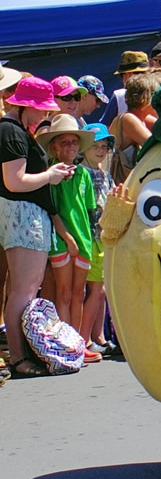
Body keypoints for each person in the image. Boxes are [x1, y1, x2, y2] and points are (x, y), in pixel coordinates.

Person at [0, 77, 76, 378]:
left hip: (24, 214)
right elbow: (15, 182)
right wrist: (51, 175)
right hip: (23, 215)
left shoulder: (14, 129)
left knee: (25, 290)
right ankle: (18, 357)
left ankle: (23, 353)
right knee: (23, 291)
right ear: (26, 106)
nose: (45, 116)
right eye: (42, 111)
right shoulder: (11, 131)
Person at [38, 114, 100, 361]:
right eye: (64, 142)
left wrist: (84, 240)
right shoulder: (51, 175)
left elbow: (88, 211)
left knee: (79, 294)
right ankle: (64, 344)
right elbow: (53, 211)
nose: (71, 147)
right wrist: (68, 237)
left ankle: (78, 343)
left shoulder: (84, 175)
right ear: (53, 146)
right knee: (63, 293)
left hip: (83, 241)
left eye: (74, 142)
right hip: (60, 241)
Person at [80, 123, 118, 356]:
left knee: (101, 289)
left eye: (104, 146)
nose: (101, 150)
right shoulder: (85, 173)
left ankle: (99, 337)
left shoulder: (104, 173)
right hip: (92, 238)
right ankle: (84, 339)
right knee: (95, 289)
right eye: (95, 146)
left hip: (103, 237)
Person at [100, 51, 150, 128]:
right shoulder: (119, 96)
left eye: (143, 73)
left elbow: (105, 127)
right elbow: (105, 127)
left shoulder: (119, 96)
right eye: (139, 73)